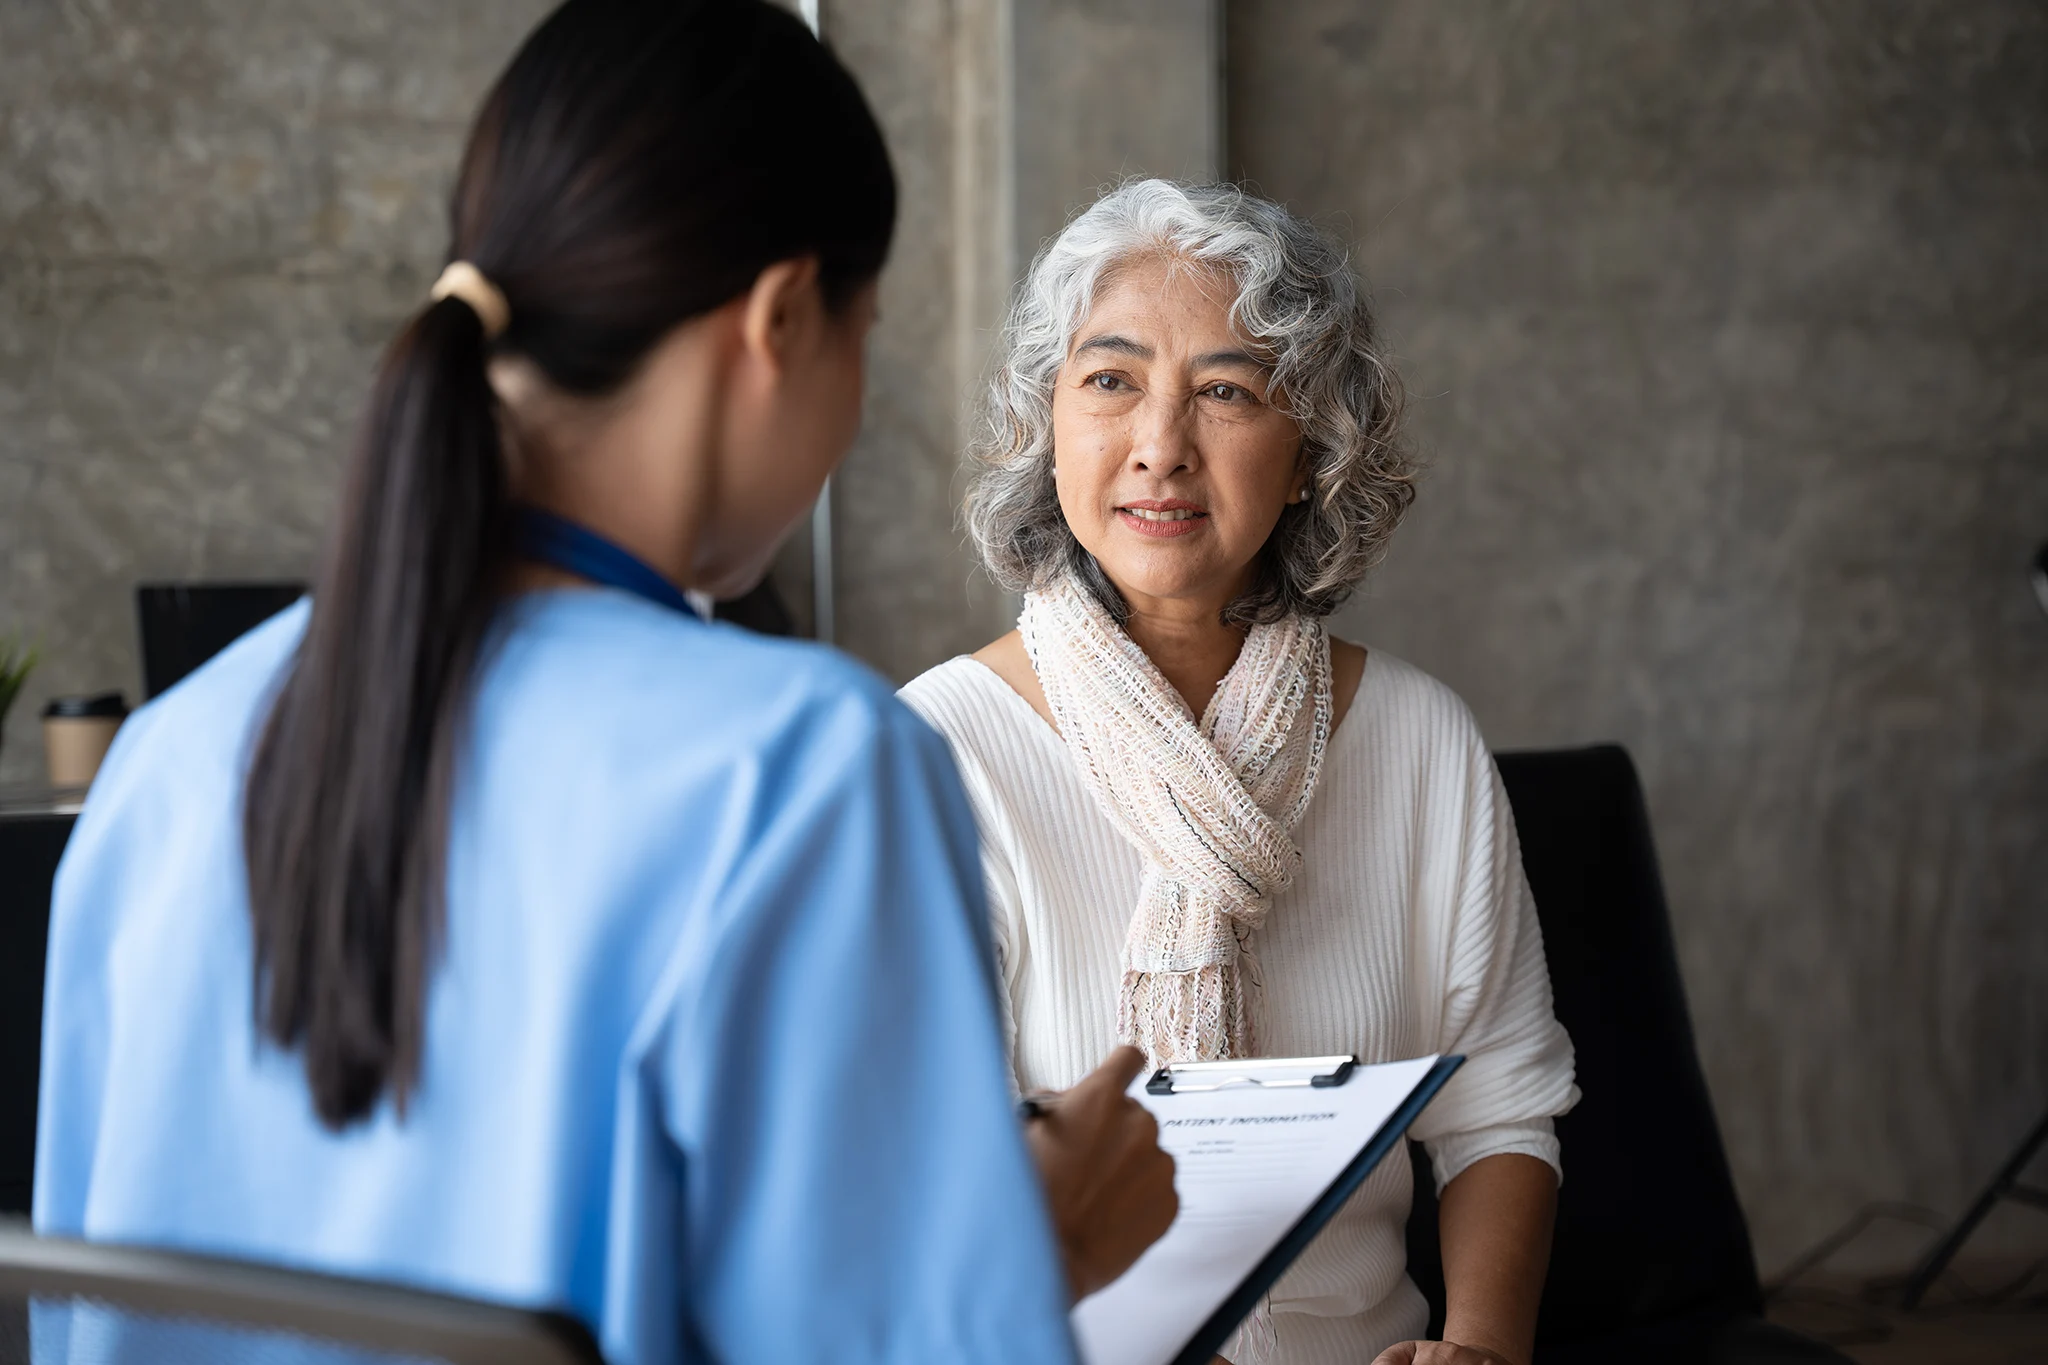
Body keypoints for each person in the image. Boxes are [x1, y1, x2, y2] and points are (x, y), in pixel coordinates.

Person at [32, 4, 1177, 1362]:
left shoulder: (164, 762)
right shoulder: (798, 770)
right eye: (866, 333)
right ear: (783, 317)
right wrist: (1031, 1248)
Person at [900, 180, 1579, 1365]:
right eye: (1109, 381)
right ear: (1042, 423)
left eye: (1224, 391)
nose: (1159, 447)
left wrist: (1480, 1350)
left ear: (1312, 448)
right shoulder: (932, 757)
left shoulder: (1420, 740)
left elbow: (1499, 1109)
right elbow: (895, 1184)